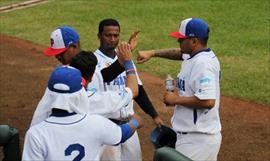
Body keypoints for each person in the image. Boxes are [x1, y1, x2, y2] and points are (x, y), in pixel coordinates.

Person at [137, 18, 222, 161]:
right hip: (192, 138)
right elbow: (179, 53)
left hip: (197, 141)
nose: (178, 42)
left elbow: (208, 101)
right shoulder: (194, 55)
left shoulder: (203, 64)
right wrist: (152, 53)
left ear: (194, 41)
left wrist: (175, 99)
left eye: (181, 39)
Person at [22, 65, 144, 160]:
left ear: (49, 94)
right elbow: (122, 134)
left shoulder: (36, 134)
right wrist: (135, 122)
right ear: (80, 93)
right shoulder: (95, 123)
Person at [87, 18, 163, 161]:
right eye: (108, 35)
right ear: (99, 36)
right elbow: (105, 76)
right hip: (107, 127)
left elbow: (137, 88)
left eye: (116, 35)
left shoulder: (125, 59)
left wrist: (154, 115)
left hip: (129, 125)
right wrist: (124, 60)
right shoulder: (93, 60)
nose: (112, 39)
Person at [30, 26, 138, 126]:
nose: (57, 56)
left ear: (74, 46)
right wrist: (126, 61)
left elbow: (105, 75)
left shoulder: (61, 75)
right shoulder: (65, 78)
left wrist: (124, 56)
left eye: (61, 52)